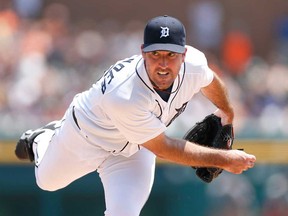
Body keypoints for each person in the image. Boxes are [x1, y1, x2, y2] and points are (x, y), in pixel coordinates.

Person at [15, 15, 256, 216]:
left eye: (171, 55)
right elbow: (165, 148)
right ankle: (42, 139)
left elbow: (211, 82)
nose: (163, 63)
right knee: (47, 182)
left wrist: (228, 111)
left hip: (133, 150)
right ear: (142, 52)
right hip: (85, 137)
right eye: (155, 54)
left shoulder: (194, 64)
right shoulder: (125, 93)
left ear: (183, 54)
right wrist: (224, 159)